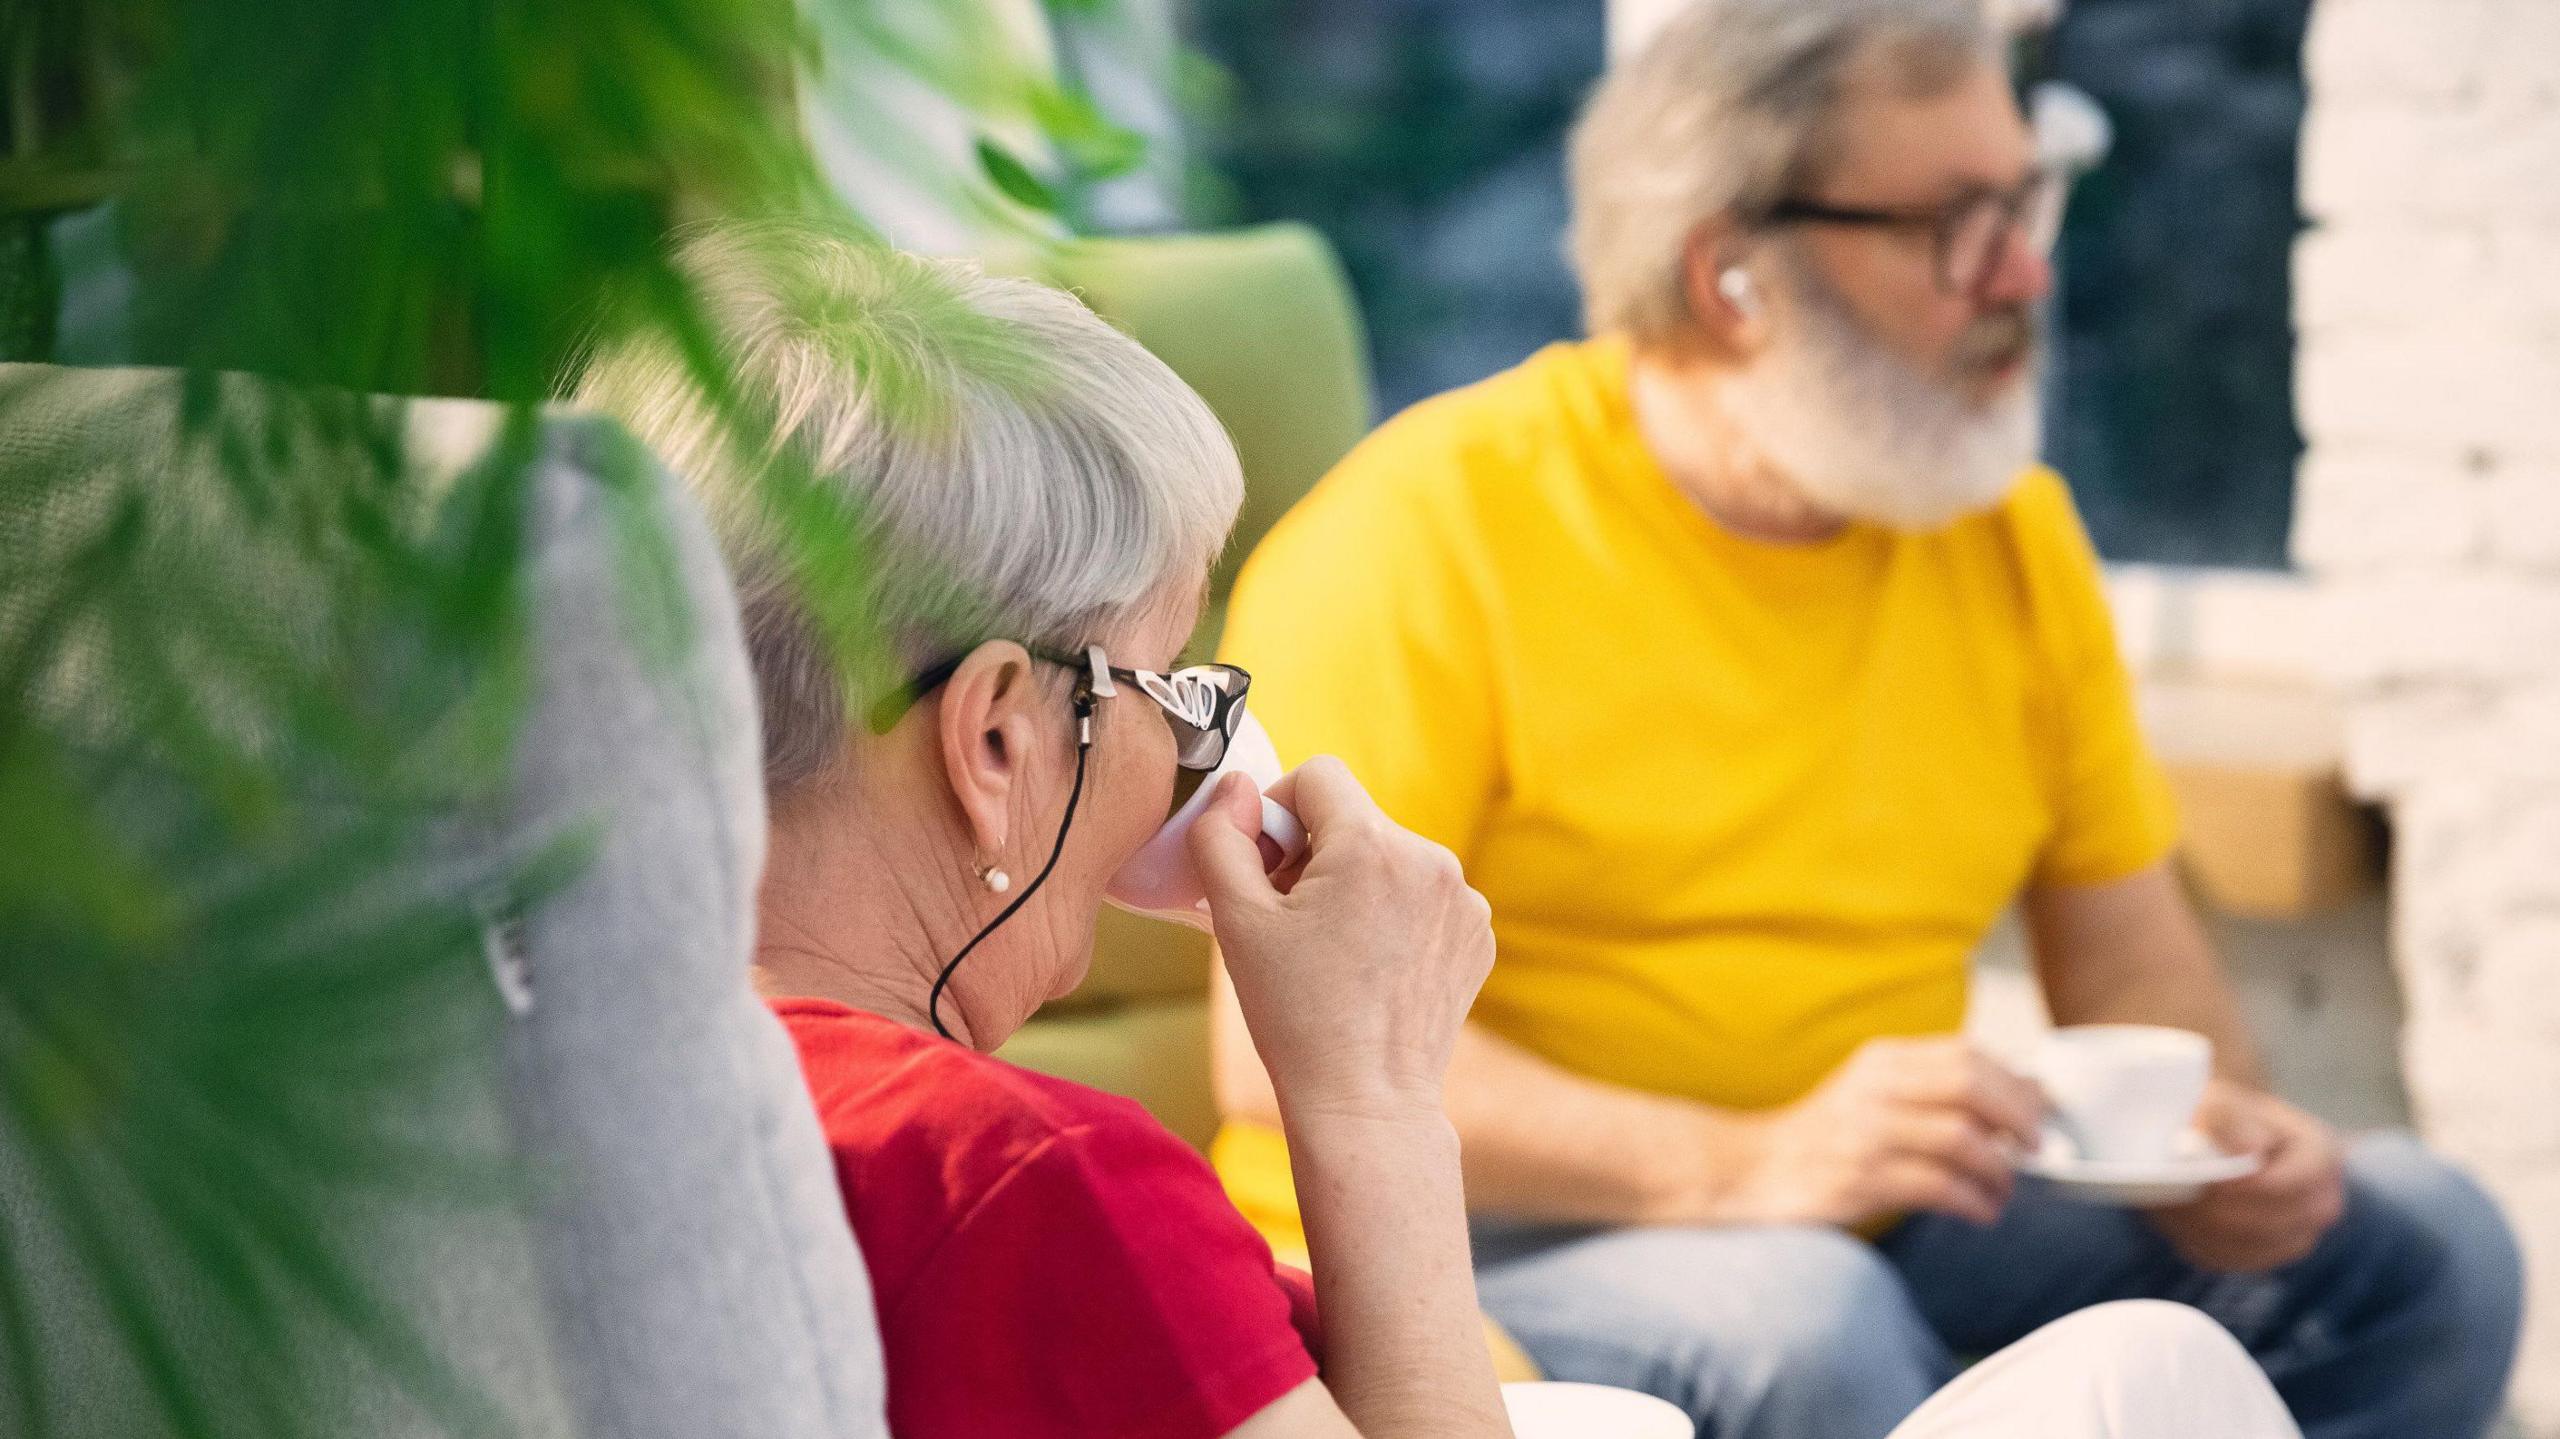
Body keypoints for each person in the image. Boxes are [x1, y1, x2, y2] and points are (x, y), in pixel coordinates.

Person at [575, 220, 2311, 1439]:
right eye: (1172, 687)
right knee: (2131, 1381)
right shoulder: (1035, 1187)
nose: (1194, 759)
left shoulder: (515, 1078)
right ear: (1004, 738)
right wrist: (1373, 1091)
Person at [1201, 3, 2524, 1438]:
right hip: (1475, 1241)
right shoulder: (1421, 540)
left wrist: (2226, 1147)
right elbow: (1280, 1054)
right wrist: (1745, 1162)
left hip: (1879, 1216)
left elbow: (2136, 970)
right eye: (1955, 223)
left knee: (2422, 1243)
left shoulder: (2010, 534)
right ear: (1730, 275)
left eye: (2030, 196)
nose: (2026, 267)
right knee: (1809, 1328)